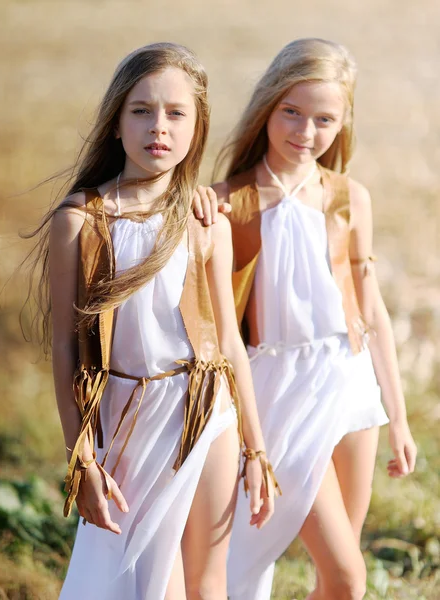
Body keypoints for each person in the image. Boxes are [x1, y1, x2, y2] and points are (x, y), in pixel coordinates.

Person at [26, 42, 278, 600]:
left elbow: (229, 342)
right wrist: (82, 459)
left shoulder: (202, 218)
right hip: (127, 418)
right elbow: (66, 351)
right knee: (148, 586)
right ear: (115, 123)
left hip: (205, 411)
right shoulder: (80, 220)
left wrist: (256, 451)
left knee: (207, 583)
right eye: (140, 110)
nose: (157, 126)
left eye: (175, 113)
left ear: (196, 128)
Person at [194, 38, 417, 600]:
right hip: (278, 392)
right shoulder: (227, 202)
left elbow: (373, 312)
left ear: (342, 125)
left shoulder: (348, 198)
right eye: (292, 112)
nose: (305, 131)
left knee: (335, 580)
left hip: (349, 386)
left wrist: (399, 418)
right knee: (349, 577)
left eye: (324, 119)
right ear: (268, 106)